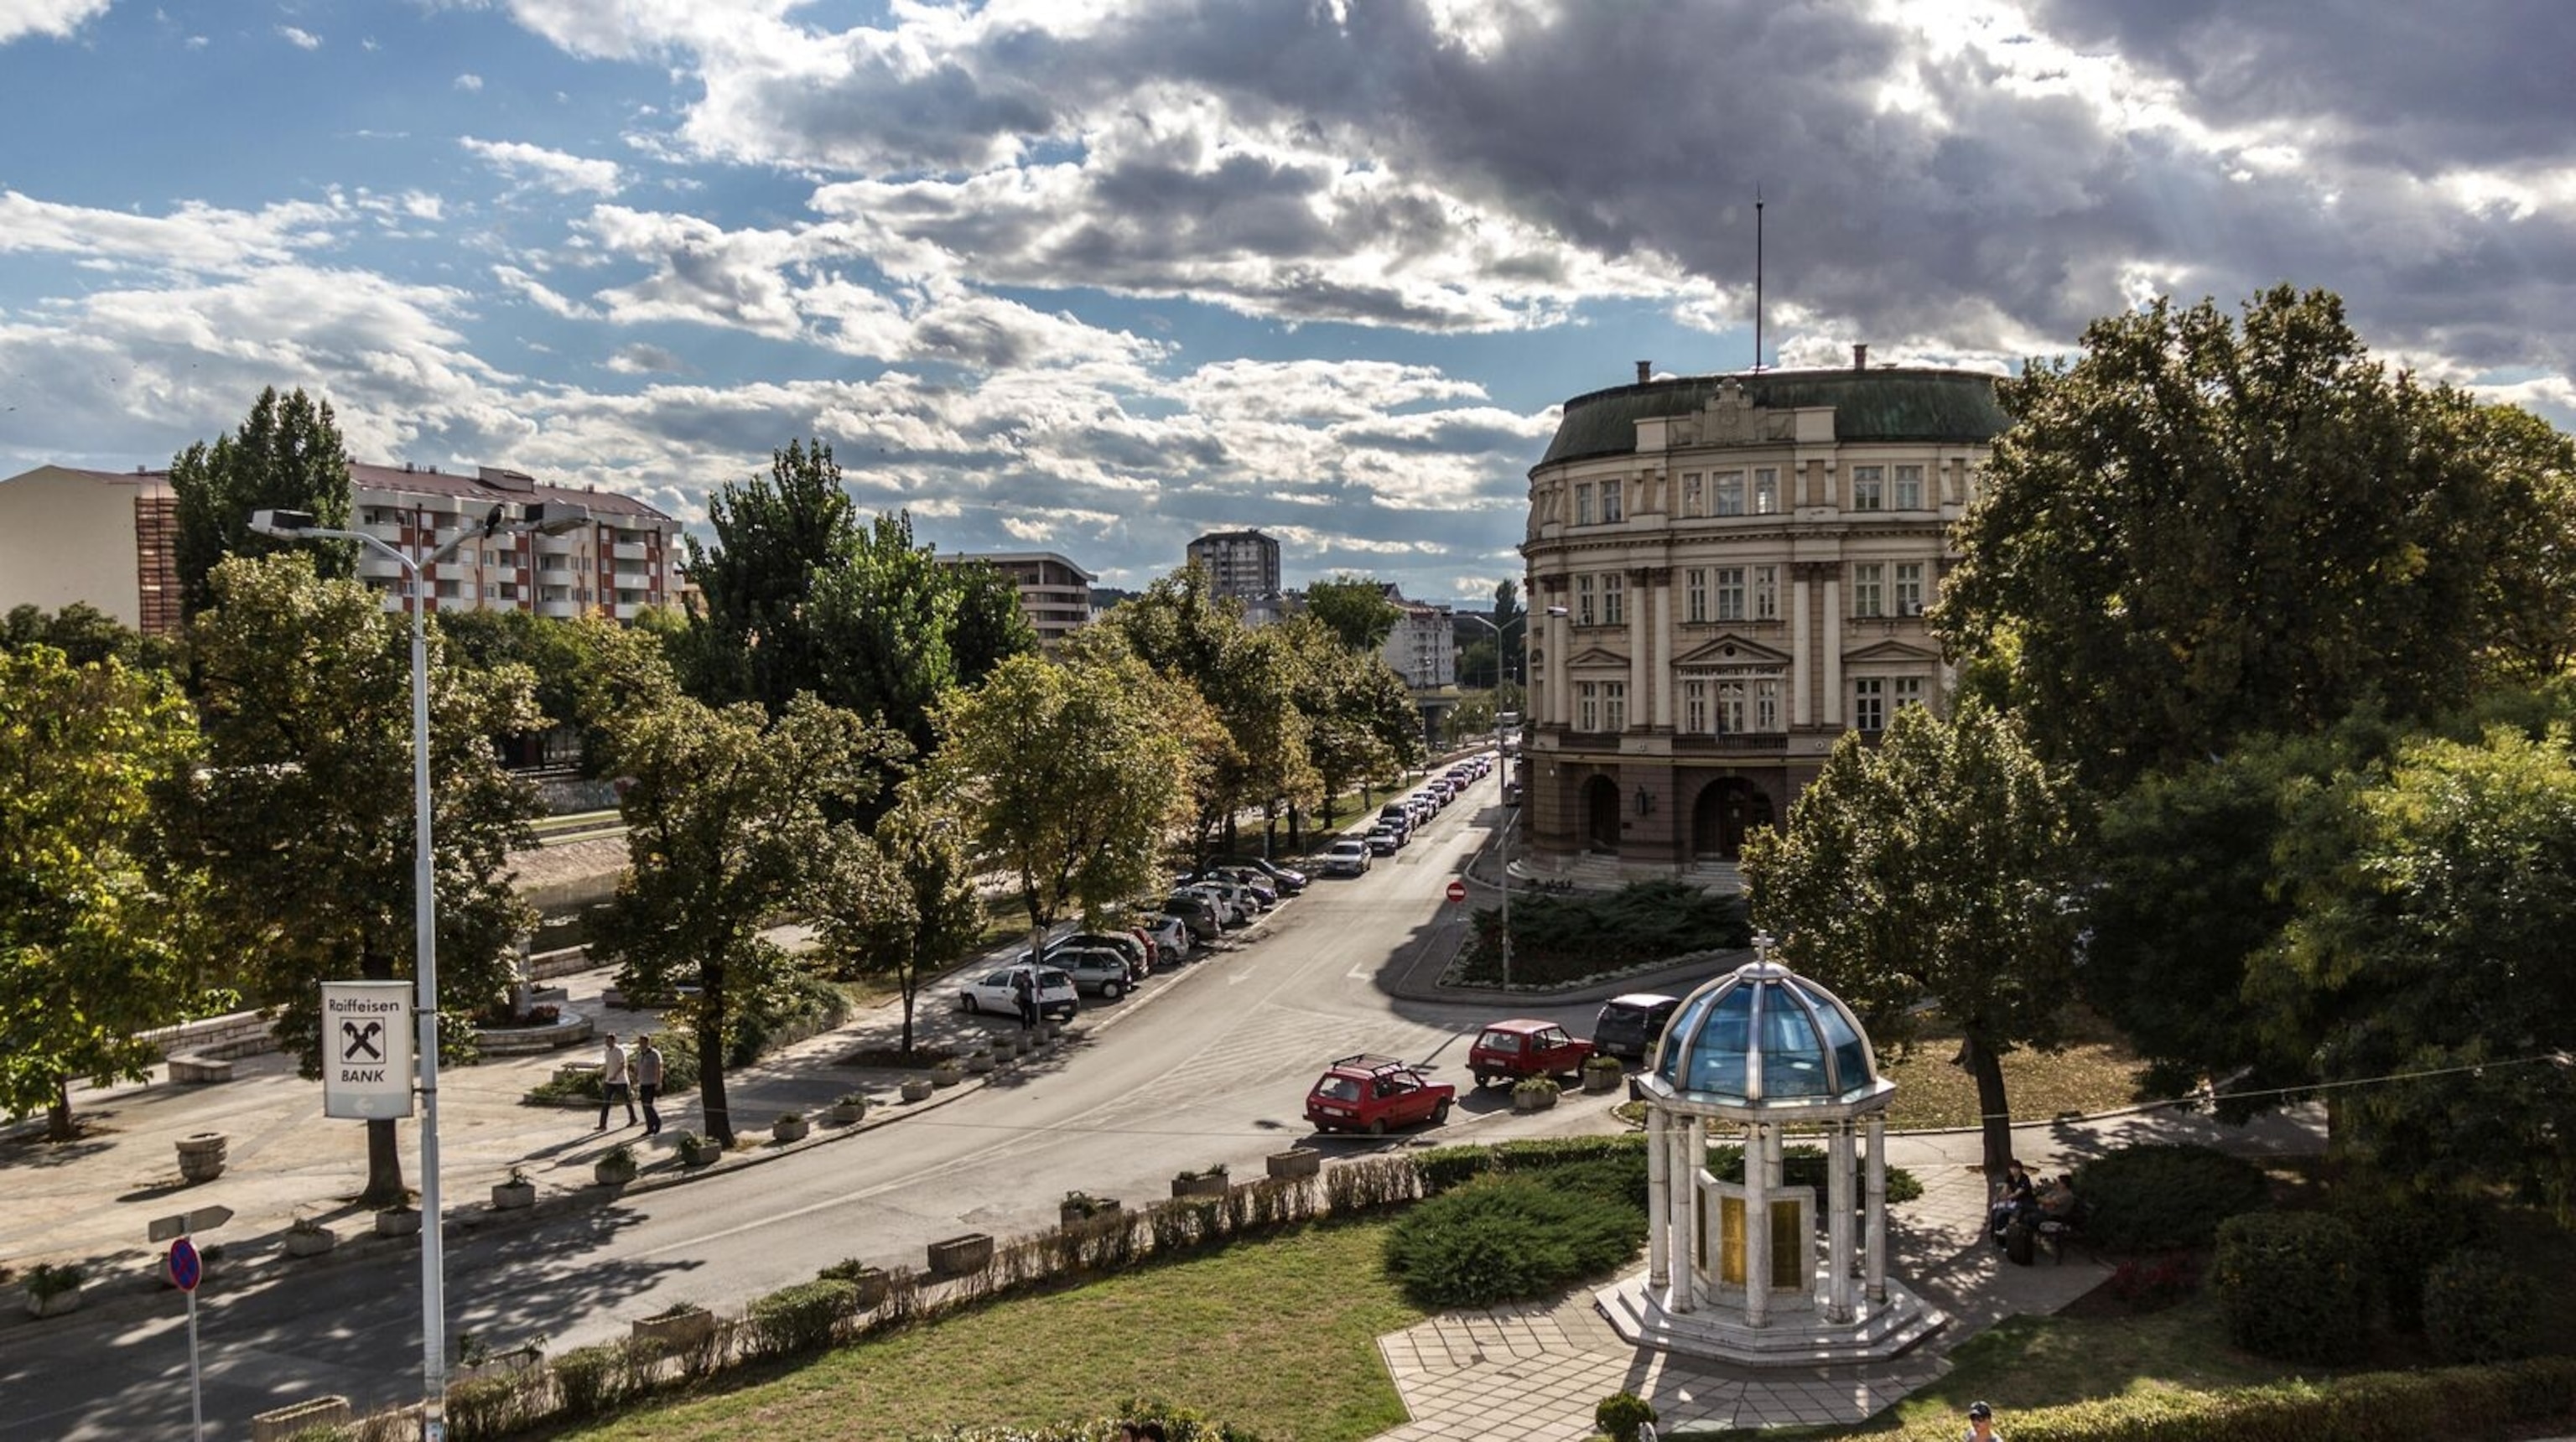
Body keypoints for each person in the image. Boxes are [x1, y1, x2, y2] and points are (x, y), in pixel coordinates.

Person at [597, 1033, 638, 1130]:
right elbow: (607, 1064)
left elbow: (623, 1064)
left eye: (608, 1041)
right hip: (609, 1081)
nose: (607, 1043)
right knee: (606, 1102)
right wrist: (605, 1075)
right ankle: (603, 1124)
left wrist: (615, 1075)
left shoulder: (619, 1050)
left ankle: (633, 1118)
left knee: (626, 1100)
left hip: (620, 1081)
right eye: (606, 1041)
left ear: (614, 1041)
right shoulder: (606, 1051)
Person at [635, 1034, 665, 1136]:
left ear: (647, 1043)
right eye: (640, 1043)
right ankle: (650, 1127)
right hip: (643, 1082)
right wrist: (636, 1080)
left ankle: (657, 1122)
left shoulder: (654, 1054)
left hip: (651, 1082)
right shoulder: (640, 1054)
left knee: (648, 1105)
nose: (641, 1045)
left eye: (642, 1043)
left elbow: (659, 1068)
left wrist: (658, 1082)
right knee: (644, 1106)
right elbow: (638, 1069)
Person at [1012, 967, 1038, 1032]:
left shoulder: (1030, 981)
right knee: (1023, 1014)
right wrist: (1021, 982)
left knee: (1031, 1013)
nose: (1026, 976)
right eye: (1025, 975)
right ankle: (1024, 1027)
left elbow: (1032, 987)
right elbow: (1016, 987)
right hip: (1022, 999)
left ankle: (1030, 1026)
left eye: (1028, 975)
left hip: (1029, 999)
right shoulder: (1021, 981)